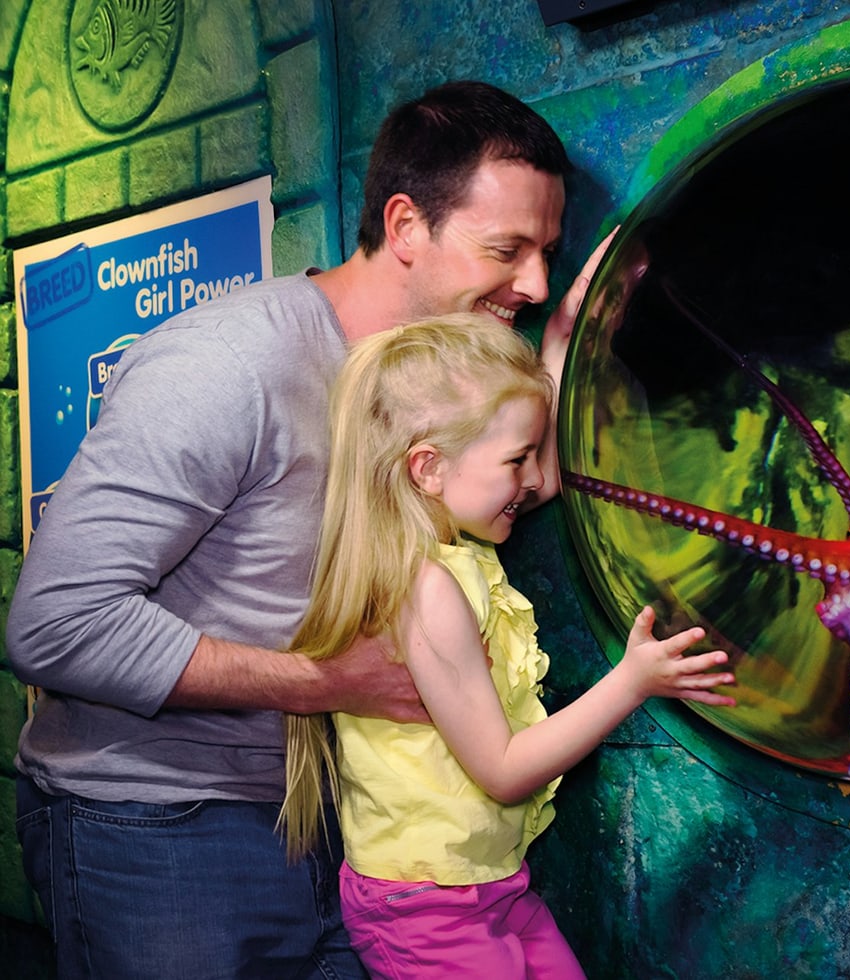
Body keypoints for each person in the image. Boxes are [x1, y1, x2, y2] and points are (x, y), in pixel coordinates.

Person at [6, 81, 610, 979]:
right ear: (405, 226)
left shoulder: (435, 377)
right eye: (506, 250)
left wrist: (560, 344)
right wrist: (326, 682)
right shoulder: (227, 365)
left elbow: (518, 481)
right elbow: (54, 625)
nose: (533, 283)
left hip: (339, 828)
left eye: (547, 255)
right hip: (156, 821)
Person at [278, 315, 737, 978]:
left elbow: (535, 474)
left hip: (489, 884)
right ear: (428, 468)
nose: (533, 478)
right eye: (517, 459)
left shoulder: (454, 545)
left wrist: (561, 348)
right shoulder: (426, 590)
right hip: (426, 908)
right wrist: (633, 681)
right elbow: (502, 768)